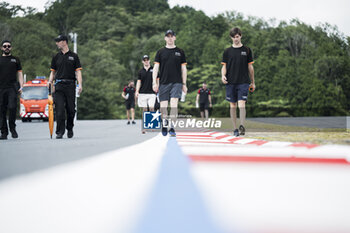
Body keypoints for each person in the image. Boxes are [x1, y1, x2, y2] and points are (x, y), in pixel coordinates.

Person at [152, 29, 187, 136]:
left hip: (177, 82)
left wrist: (184, 84)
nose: (170, 38)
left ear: (175, 38)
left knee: (174, 104)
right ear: (165, 38)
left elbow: (184, 69)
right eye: (168, 36)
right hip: (163, 82)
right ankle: (164, 123)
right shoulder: (160, 52)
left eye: (172, 36)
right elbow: (156, 68)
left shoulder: (180, 52)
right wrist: (154, 82)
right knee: (163, 106)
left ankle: (172, 127)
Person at [221, 27, 255, 137]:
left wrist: (253, 82)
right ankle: (235, 128)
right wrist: (223, 76)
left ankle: (242, 126)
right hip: (231, 82)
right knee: (233, 105)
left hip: (244, 82)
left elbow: (250, 67)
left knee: (242, 103)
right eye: (234, 37)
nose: (236, 39)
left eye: (237, 36)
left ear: (241, 36)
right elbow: (224, 66)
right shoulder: (227, 51)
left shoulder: (247, 50)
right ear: (231, 37)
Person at [48, 35, 83, 139]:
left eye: (58, 41)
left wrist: (80, 84)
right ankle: (59, 132)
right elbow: (53, 72)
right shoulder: (56, 57)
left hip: (70, 85)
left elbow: (78, 72)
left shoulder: (74, 56)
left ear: (64, 42)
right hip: (58, 85)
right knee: (59, 110)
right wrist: (50, 82)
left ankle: (70, 127)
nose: (56, 43)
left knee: (71, 110)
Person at [0, 40, 24, 140]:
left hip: (12, 88)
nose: (7, 48)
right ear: (1, 48)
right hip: (1, 88)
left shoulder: (15, 60)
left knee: (12, 107)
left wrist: (22, 86)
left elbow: (19, 73)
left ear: (11, 48)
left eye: (9, 46)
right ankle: (4, 132)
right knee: (1, 111)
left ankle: (12, 128)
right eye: (5, 46)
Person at [135, 55, 157, 133]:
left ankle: (153, 125)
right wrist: (137, 91)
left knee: (151, 108)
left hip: (152, 92)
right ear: (142, 61)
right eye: (144, 60)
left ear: (149, 60)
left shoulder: (154, 70)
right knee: (144, 109)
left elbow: (158, 80)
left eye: (147, 59)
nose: (146, 61)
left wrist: (158, 88)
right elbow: (138, 82)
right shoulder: (140, 71)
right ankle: (144, 127)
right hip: (142, 93)